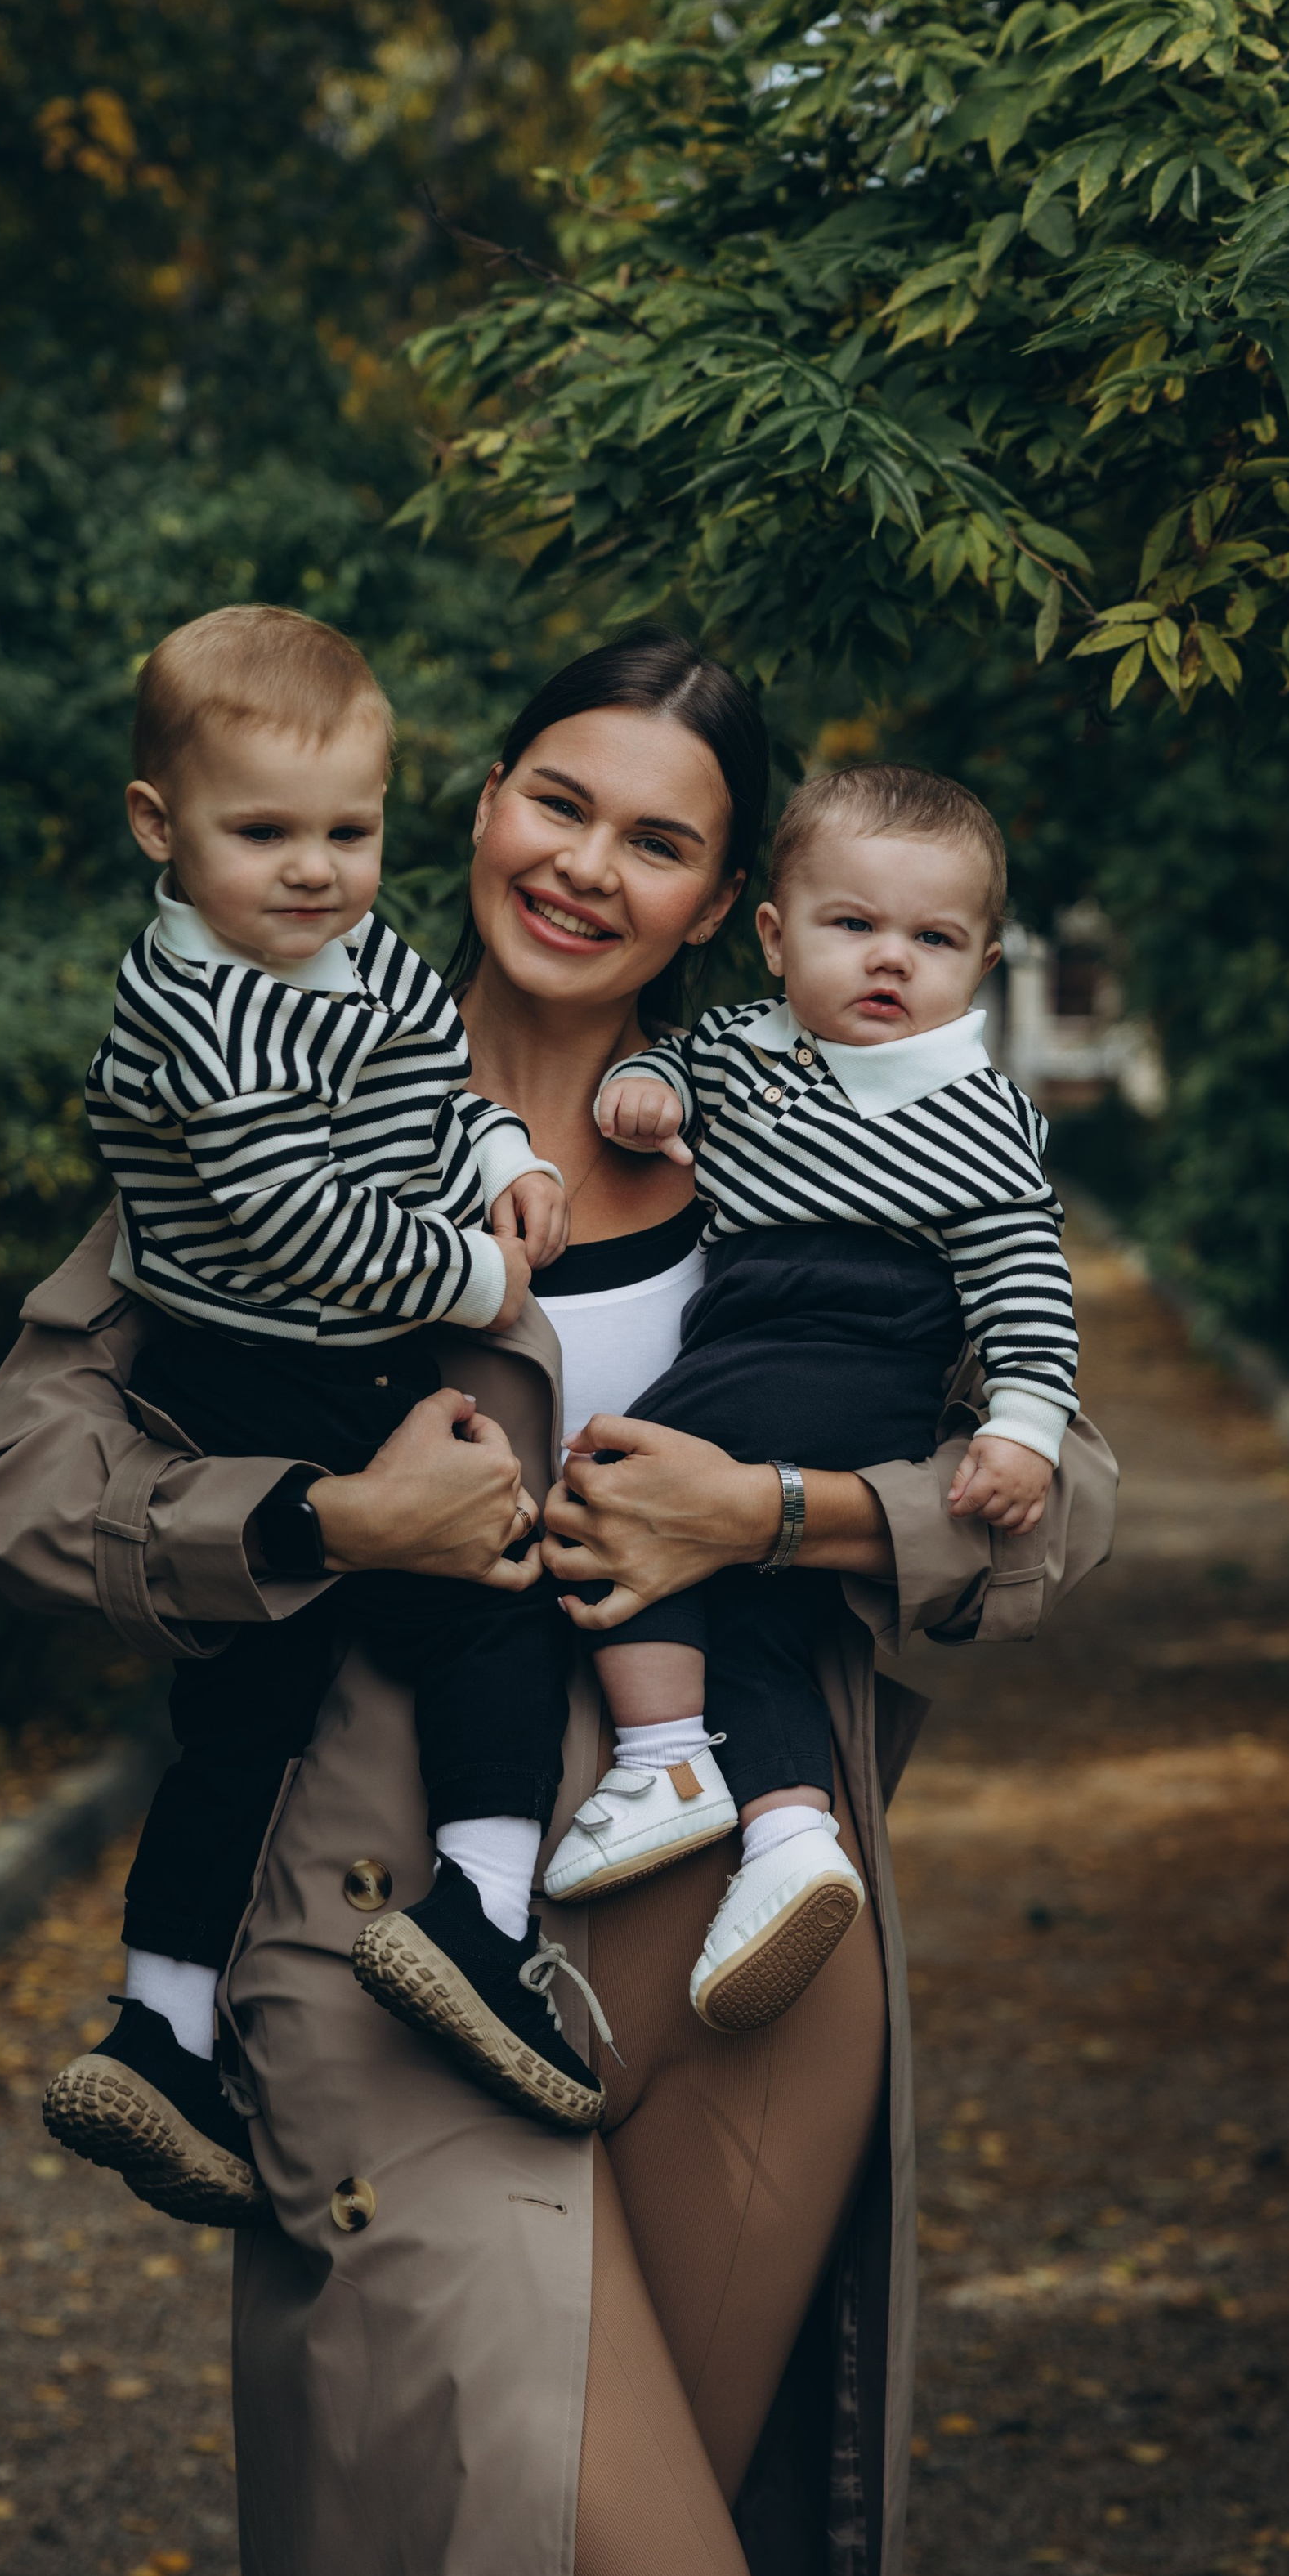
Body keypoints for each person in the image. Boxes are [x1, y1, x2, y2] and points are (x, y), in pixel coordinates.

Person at [0, 632, 1117, 2576]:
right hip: (395, 1954)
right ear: (482, 805)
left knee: (669, 2563)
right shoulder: (281, 1109)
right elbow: (26, 1479)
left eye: (658, 841)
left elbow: (1055, 1496)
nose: (588, 866)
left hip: (748, 1953)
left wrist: (767, 1514)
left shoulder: (808, 1129)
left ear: (724, 903)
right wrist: (333, 1516)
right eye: (557, 802)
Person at [45, 602, 596, 2230]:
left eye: (347, 830)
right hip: (247, 1371)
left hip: (314, 1354)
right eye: (263, 832)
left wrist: (501, 1160)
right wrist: (478, 1283)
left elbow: (433, 1079)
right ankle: (443, 1932)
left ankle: (179, 2018)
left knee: (257, 1707)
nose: (314, 870)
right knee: (481, 1611)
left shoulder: (355, 956)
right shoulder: (200, 1013)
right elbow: (304, 1226)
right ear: (161, 826)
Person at [539, 760, 1081, 2041]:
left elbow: (1025, 1285)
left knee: (615, 1487)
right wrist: (648, 1092)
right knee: (758, 1602)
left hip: (853, 1329)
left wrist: (1023, 1429)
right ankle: (790, 1833)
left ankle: (663, 1754)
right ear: (775, 939)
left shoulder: (981, 1117)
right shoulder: (741, 1048)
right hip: (766, 1323)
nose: (891, 961)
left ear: (984, 966)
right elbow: (672, 1077)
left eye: (933, 939)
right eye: (855, 926)